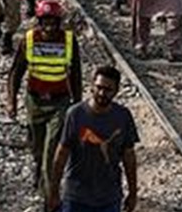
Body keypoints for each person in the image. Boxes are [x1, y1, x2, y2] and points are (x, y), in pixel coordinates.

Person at [7, 0, 82, 202]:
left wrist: (77, 103)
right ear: (39, 22)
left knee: (51, 151)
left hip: (59, 102)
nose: (49, 27)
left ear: (59, 22)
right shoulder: (29, 39)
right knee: (37, 147)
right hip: (35, 101)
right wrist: (11, 101)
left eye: (53, 22)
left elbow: (75, 74)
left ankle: (50, 198)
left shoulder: (68, 40)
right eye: (45, 21)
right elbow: (16, 72)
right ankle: (39, 173)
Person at [47, 65, 139, 212]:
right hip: (76, 197)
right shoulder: (75, 114)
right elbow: (61, 154)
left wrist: (133, 193)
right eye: (99, 87)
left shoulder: (123, 117)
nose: (102, 93)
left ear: (116, 91)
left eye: (108, 90)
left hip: (109, 198)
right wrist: (53, 192)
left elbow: (129, 157)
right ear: (92, 87)